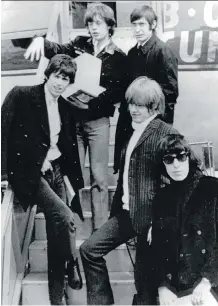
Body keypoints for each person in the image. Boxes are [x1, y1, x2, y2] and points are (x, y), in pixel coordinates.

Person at [24, 2, 127, 231]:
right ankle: (74, 223)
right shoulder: (80, 44)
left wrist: (93, 100)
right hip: (73, 121)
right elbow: (58, 49)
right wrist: (42, 41)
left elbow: (117, 91)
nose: (93, 28)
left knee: (99, 177)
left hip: (98, 122)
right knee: (73, 172)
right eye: (90, 23)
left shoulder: (119, 56)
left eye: (98, 23)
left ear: (110, 26)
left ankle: (99, 228)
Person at [79, 76, 179, 305]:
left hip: (151, 220)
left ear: (153, 106)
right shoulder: (133, 131)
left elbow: (186, 180)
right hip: (127, 215)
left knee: (145, 284)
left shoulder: (166, 135)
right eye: (131, 104)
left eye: (139, 105)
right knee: (89, 250)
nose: (133, 109)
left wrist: (161, 220)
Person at [1, 54, 85, 305]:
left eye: (66, 79)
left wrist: (71, 182)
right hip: (30, 172)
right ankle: (72, 261)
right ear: (47, 74)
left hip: (57, 170)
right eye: (58, 76)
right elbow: (3, 133)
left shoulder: (65, 107)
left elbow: (66, 146)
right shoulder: (22, 95)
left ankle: (56, 298)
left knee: (57, 232)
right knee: (64, 216)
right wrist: (3, 174)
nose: (60, 83)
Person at [136, 134, 218, 305]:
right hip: (175, 288)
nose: (176, 165)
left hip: (208, 284)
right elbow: (157, 249)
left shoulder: (211, 188)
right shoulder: (161, 198)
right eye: (169, 160)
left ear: (189, 157)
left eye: (181, 157)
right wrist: (162, 286)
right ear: (162, 164)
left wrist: (207, 281)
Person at [114, 4, 178, 173]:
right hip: (133, 122)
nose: (137, 29)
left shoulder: (163, 51)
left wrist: (159, 125)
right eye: (134, 25)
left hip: (154, 123)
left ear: (153, 24)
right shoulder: (132, 54)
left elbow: (170, 92)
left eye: (142, 24)